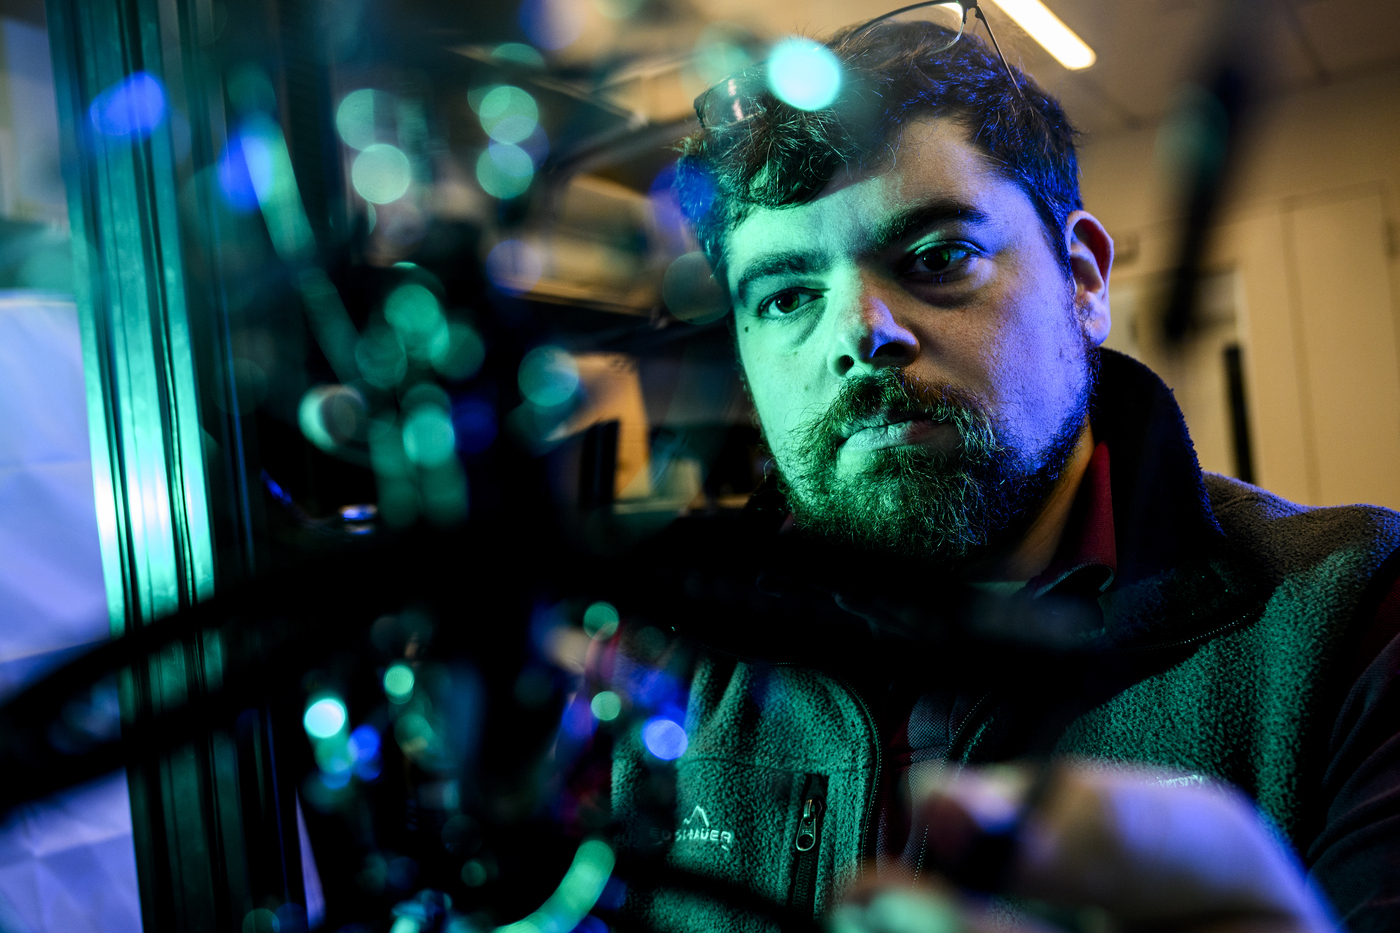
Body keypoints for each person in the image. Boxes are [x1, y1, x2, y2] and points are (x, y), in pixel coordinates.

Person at [571, 17, 1400, 933]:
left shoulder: (1355, 617)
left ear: (1083, 279)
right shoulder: (656, 662)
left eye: (937, 258)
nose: (863, 334)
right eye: (787, 297)